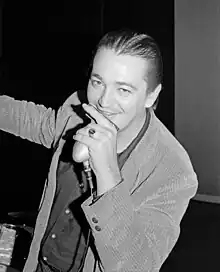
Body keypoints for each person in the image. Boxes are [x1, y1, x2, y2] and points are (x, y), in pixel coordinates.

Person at [0, 29, 198, 272]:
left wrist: (108, 175)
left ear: (151, 95)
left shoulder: (173, 171)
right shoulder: (78, 111)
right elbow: (39, 122)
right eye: (98, 82)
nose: (103, 101)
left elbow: (137, 265)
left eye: (123, 90)